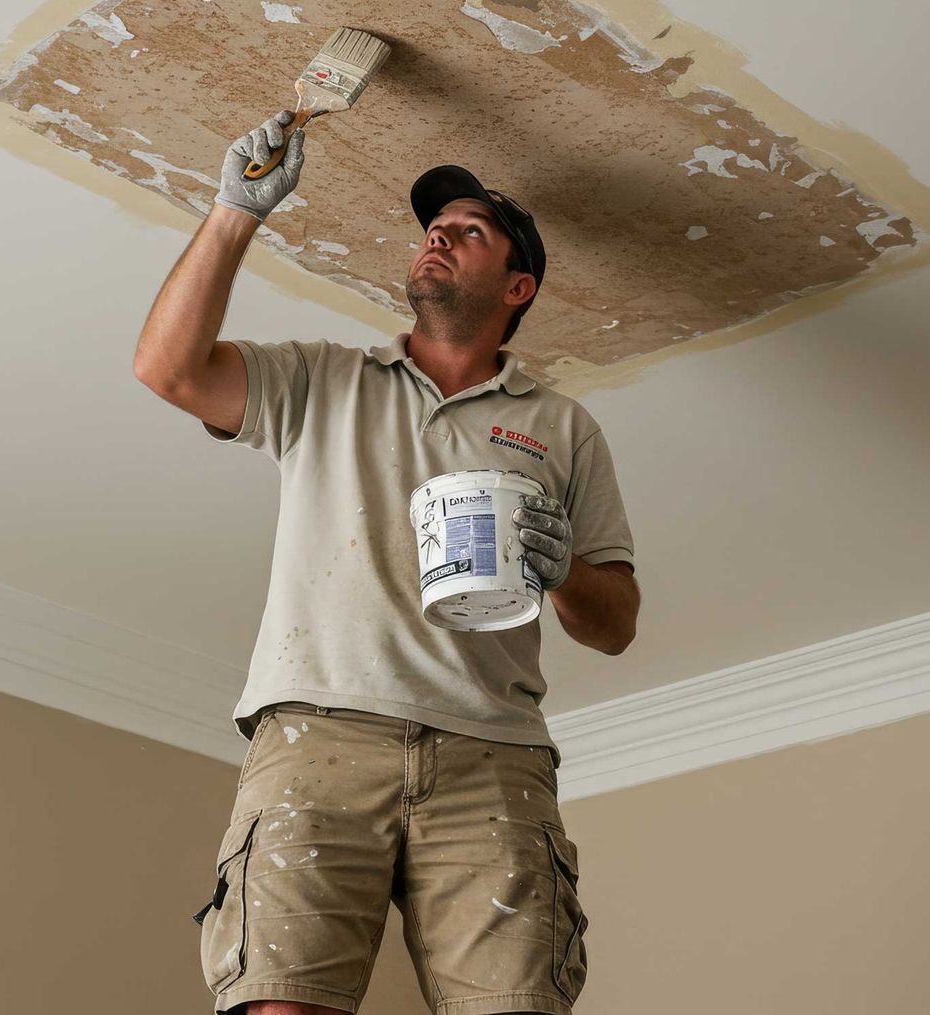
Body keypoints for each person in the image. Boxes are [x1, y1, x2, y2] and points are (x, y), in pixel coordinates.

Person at [135, 110, 640, 1015]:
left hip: (494, 752)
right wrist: (233, 210)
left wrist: (564, 570)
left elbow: (617, 624)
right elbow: (168, 371)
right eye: (433, 229)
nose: (438, 237)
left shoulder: (562, 427)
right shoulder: (324, 380)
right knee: (280, 999)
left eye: (468, 231)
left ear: (518, 285)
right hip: (320, 735)